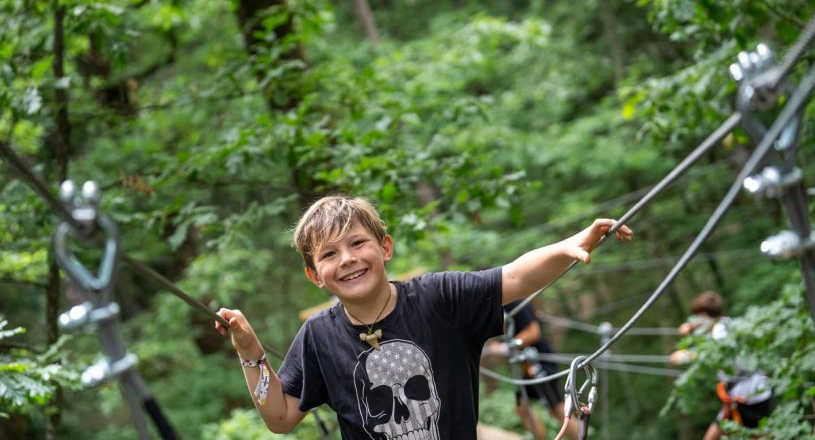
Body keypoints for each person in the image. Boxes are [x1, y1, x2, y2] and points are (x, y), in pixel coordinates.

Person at [215, 194, 632, 438]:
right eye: (329, 253)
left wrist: (571, 245)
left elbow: (517, 277)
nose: (347, 260)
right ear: (314, 275)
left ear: (385, 248)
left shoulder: (439, 298)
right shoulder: (318, 337)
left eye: (358, 243)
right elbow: (281, 417)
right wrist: (251, 354)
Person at [670, 291, 772, 440]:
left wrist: (684, 356)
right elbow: (706, 338)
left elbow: (711, 352)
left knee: (758, 436)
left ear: (704, 316)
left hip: (748, 395)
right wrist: (691, 328)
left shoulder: (720, 333)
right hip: (750, 391)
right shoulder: (725, 323)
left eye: (695, 317)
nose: (693, 321)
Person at [487, 300, 579, 440]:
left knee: (557, 409)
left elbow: (533, 332)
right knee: (522, 408)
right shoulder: (498, 306)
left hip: (538, 362)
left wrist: (504, 348)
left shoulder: (513, 301)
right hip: (524, 366)